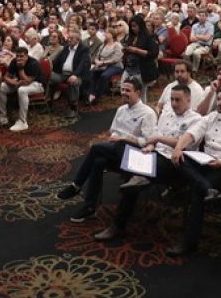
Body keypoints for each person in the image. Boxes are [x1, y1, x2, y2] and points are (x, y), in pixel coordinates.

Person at [93, 83, 202, 241]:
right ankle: (137, 177)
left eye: (178, 100)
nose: (174, 103)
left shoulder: (196, 119)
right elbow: (155, 133)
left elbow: (187, 144)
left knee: (135, 180)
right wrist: (151, 145)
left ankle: (117, 225)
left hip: (176, 162)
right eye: (171, 99)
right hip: (155, 154)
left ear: (189, 101)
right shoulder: (166, 113)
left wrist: (158, 140)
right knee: (122, 144)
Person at [168, 86, 221, 256]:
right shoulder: (211, 117)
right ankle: (207, 188)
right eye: (219, 99)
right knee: (180, 159)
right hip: (205, 162)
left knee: (197, 192)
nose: (219, 104)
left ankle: (189, 243)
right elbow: (190, 135)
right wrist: (178, 148)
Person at [57, 77, 157, 222]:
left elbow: (147, 142)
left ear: (138, 92)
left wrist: (123, 139)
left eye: (128, 90)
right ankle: (90, 206)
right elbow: (114, 130)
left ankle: (77, 185)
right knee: (98, 162)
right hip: (115, 149)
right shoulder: (121, 109)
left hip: (135, 154)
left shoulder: (147, 113)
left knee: (96, 148)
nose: (123, 93)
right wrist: (116, 137)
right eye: (122, 90)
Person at [0, 46, 45, 132]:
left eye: (21, 56)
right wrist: (14, 82)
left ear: (26, 56)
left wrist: (20, 68)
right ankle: (3, 116)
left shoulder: (34, 63)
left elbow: (27, 81)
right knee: (2, 87)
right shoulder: (14, 61)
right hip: (19, 82)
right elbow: (6, 77)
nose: (19, 58)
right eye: (17, 56)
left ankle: (23, 121)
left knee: (22, 90)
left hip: (37, 84)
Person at [50, 30, 91, 118]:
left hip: (77, 75)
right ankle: (49, 103)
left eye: (71, 38)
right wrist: (50, 68)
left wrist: (75, 75)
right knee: (49, 77)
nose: (68, 40)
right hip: (63, 74)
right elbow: (57, 60)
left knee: (73, 82)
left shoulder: (84, 49)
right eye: (68, 38)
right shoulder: (66, 48)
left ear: (78, 40)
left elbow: (82, 64)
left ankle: (73, 108)